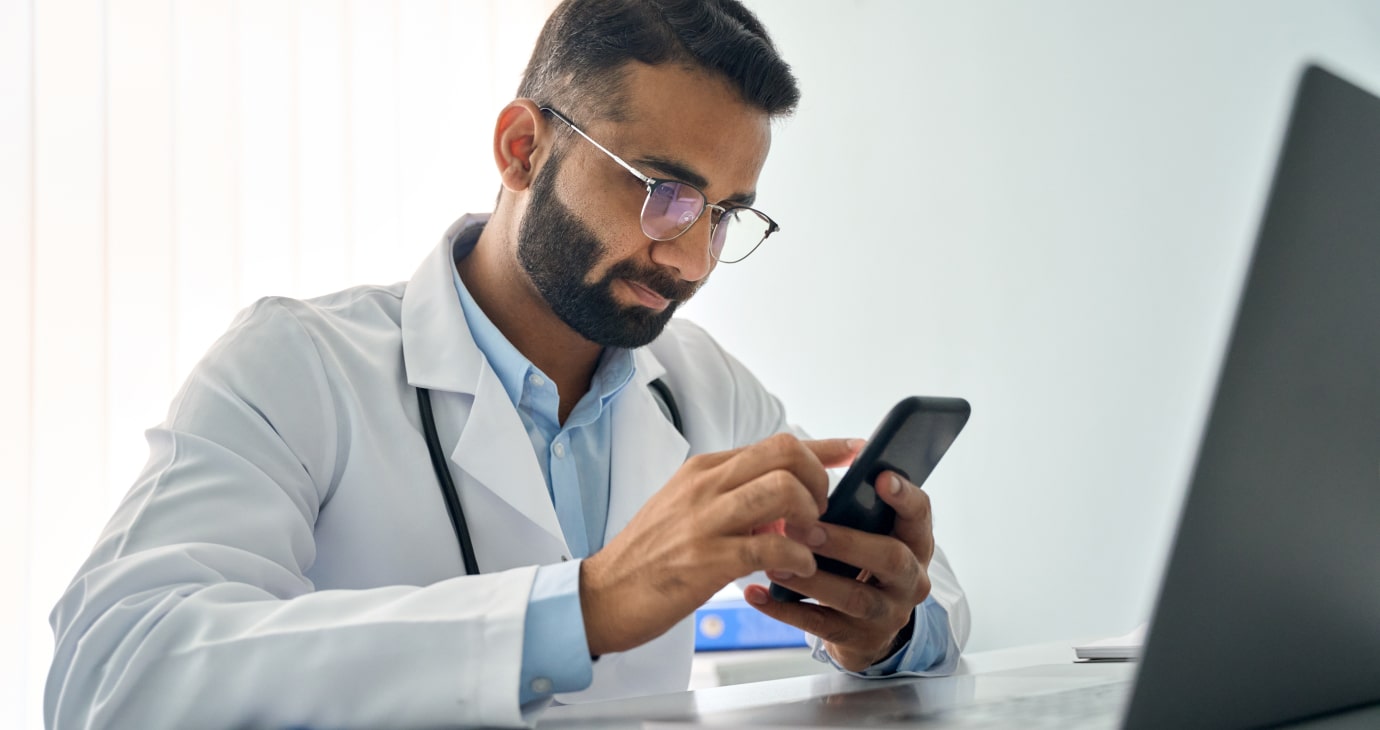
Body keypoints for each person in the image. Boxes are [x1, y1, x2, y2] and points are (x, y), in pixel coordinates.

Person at [46, 0, 970, 727]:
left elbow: (944, 614)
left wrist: (880, 630)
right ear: (524, 148)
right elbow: (116, 672)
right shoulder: (296, 367)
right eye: (662, 192)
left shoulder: (701, 389)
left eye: (723, 213)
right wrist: (585, 605)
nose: (691, 261)